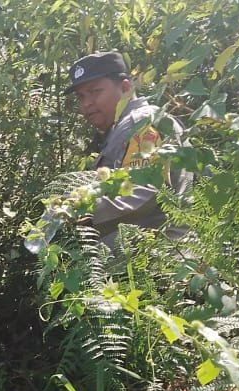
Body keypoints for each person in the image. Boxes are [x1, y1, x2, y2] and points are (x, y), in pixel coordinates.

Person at [66, 51, 192, 246]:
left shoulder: (141, 122)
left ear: (125, 88)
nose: (86, 103)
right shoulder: (123, 128)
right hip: (147, 255)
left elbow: (145, 189)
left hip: (163, 255)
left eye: (95, 91)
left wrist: (81, 209)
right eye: (81, 96)